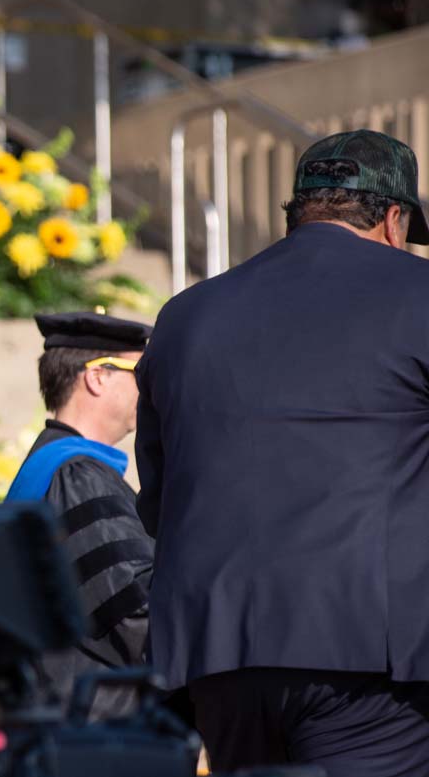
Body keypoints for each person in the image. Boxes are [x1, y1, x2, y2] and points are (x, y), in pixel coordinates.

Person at [136, 130, 429, 777]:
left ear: (296, 214)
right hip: (373, 658)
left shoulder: (184, 315)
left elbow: (159, 497)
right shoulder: (419, 292)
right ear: (392, 219)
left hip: (219, 654)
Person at [5, 312, 154, 720]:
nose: (151, 387)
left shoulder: (50, 463)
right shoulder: (77, 475)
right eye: (140, 372)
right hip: (90, 718)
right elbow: (131, 616)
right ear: (97, 377)